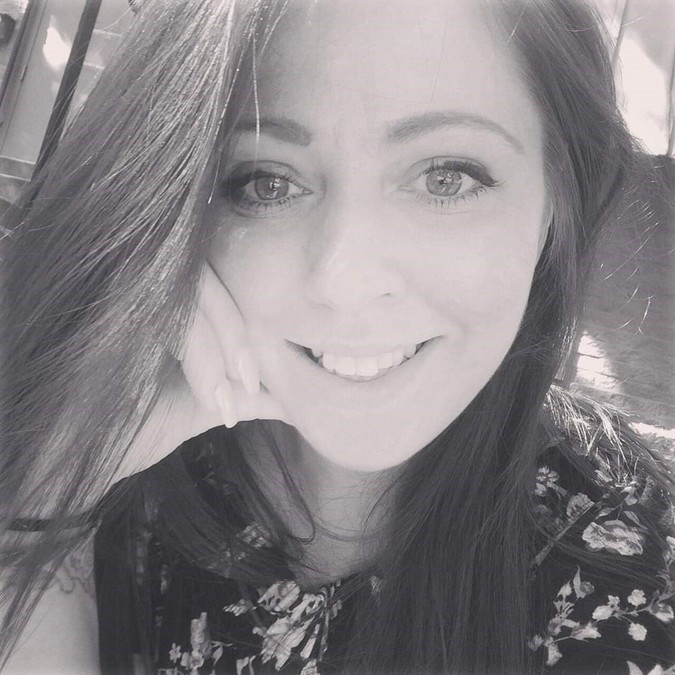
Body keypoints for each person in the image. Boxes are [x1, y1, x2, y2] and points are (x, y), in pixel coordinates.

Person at [1, 0, 673, 673]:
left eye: (446, 177)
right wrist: (49, 494)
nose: (343, 279)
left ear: (556, 204)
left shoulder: (634, 577)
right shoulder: (114, 450)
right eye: (266, 183)